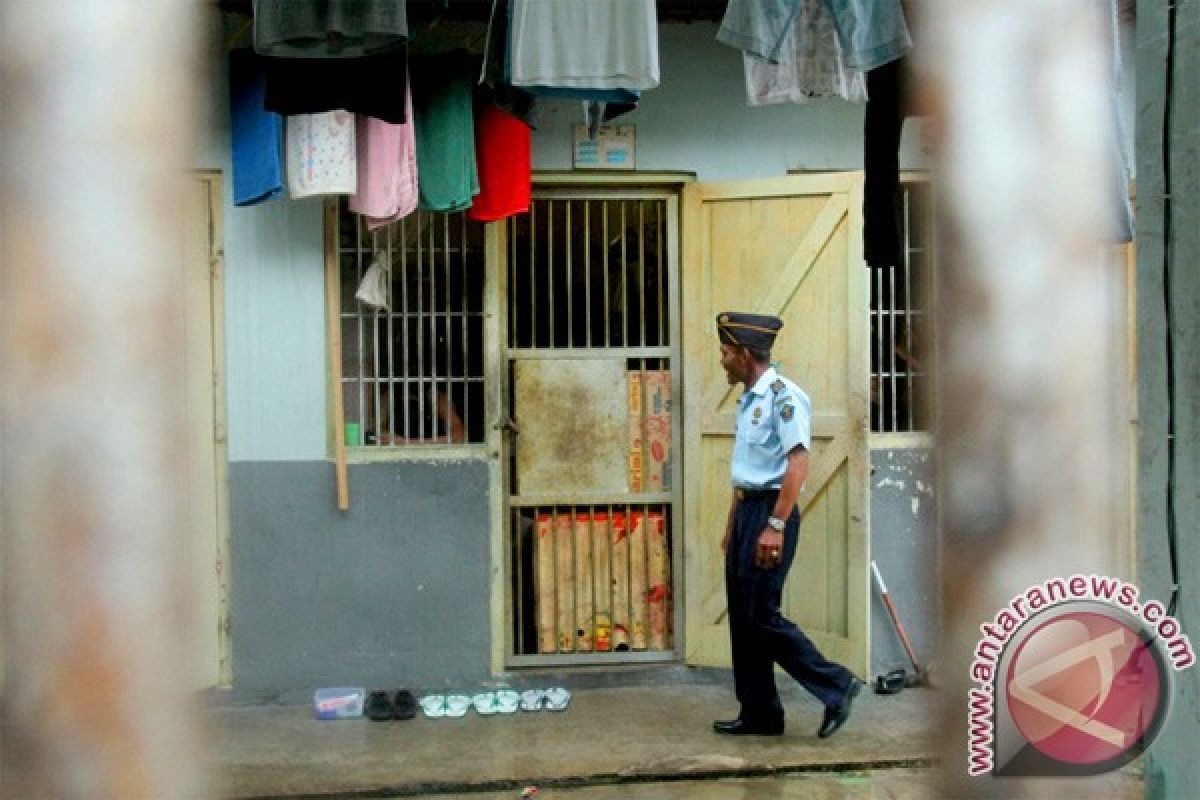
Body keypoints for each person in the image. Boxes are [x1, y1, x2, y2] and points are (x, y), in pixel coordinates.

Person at [712, 311, 863, 738]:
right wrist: (732, 524)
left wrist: (775, 525)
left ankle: (837, 684)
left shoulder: (784, 396)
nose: (721, 360)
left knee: (761, 614)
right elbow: (747, 471)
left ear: (743, 353)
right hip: (747, 512)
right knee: (743, 616)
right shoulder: (749, 397)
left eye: (725, 352)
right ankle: (760, 713)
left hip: (770, 514)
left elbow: (798, 462)